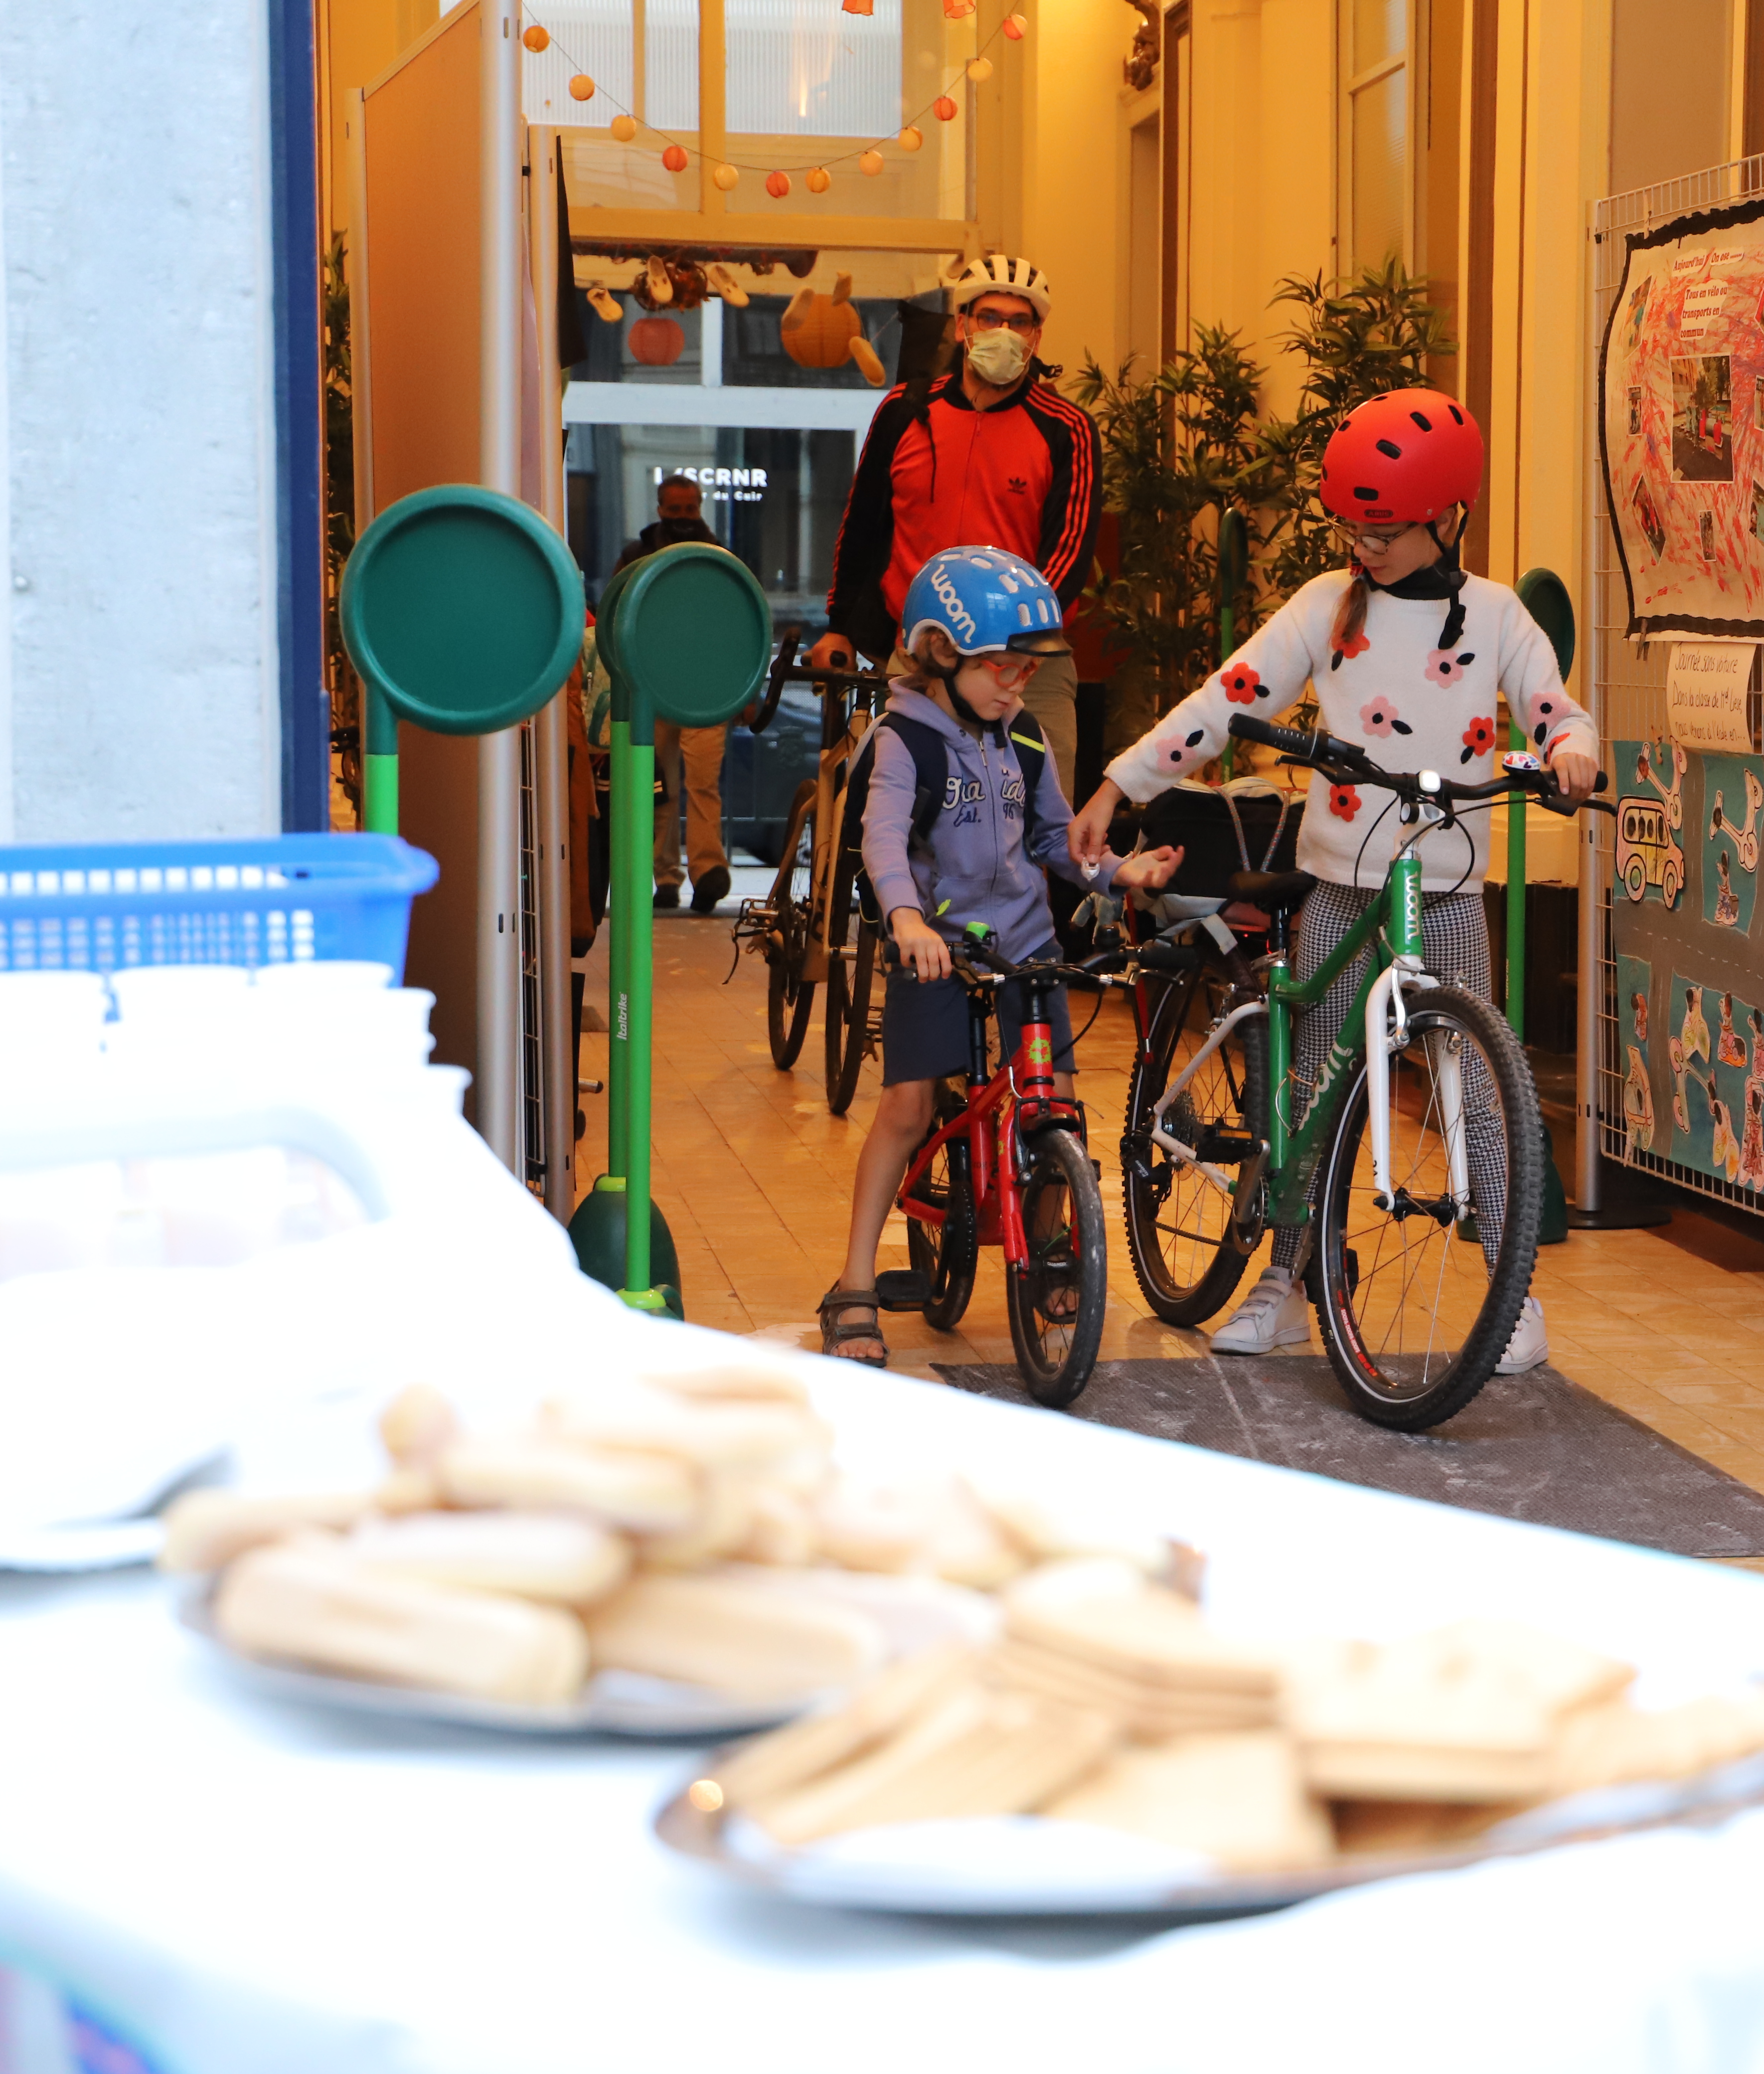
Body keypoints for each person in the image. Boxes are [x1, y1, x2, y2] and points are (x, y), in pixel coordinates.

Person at [1067, 387, 1599, 1374]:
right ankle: (1289, 1277)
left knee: (1477, 1089)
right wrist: (1117, 782)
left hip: (1445, 891)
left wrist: (1570, 748)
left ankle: (1506, 1287)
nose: (1367, 541)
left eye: (1387, 525)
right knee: (1314, 1083)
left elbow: (1554, 704)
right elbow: (1223, 703)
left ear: (1449, 518)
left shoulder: (1497, 615)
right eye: (1354, 523)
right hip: (1344, 887)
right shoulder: (1326, 604)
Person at [819, 547, 1181, 1368]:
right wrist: (906, 920)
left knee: (1051, 1105)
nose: (1018, 686)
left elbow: (1057, 839)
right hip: (936, 953)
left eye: (1026, 670)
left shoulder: (1022, 738)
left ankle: (1051, 1245)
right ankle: (853, 1284)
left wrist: (1124, 871)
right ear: (939, 653)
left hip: (1026, 951)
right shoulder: (903, 738)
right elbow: (880, 839)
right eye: (1000, 670)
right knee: (909, 1111)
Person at [809, 255, 1098, 762]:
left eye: (1019, 321)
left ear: (1037, 336)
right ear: (963, 325)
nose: (1004, 332)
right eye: (990, 317)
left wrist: (1010, 639)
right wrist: (838, 625)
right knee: (911, 819)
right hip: (923, 659)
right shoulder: (905, 411)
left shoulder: (1066, 427)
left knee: (1041, 827)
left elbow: (1069, 553)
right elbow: (862, 526)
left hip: (1028, 663)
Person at [618, 473, 733, 913]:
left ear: (699, 506)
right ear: (661, 508)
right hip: (652, 688)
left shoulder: (719, 555)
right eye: (677, 509)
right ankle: (666, 878)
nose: (685, 516)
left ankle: (707, 874)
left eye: (691, 508)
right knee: (659, 788)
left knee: (703, 784)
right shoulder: (637, 556)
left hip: (708, 690)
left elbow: (735, 624)